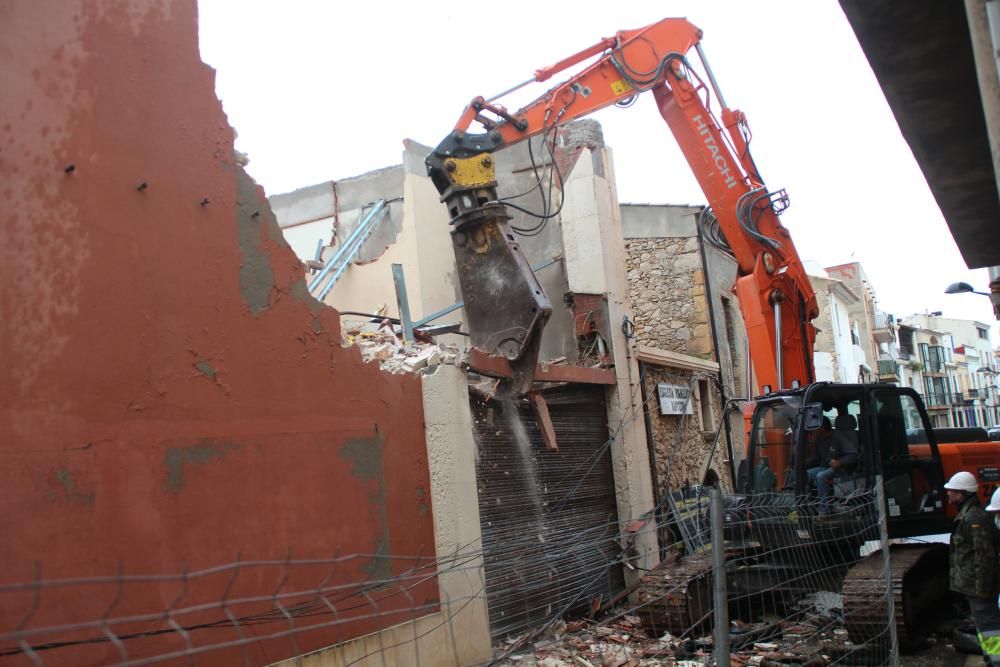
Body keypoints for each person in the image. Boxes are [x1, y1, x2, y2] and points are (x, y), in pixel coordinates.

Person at [946, 472, 1000, 665]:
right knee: (984, 626)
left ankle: (996, 660)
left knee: (989, 627)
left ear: (961, 494)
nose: (948, 494)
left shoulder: (973, 519)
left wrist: (982, 589)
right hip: (975, 587)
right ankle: (992, 658)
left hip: (979, 588)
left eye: (951, 490)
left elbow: (984, 557)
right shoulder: (967, 516)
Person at [806, 414, 858, 514]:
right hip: (824, 467)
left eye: (815, 428)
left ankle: (823, 511)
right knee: (804, 474)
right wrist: (803, 463)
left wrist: (839, 462)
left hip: (841, 469)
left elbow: (853, 455)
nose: (813, 431)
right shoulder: (819, 439)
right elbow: (816, 458)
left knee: (821, 476)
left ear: (822, 428)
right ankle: (807, 508)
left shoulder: (838, 436)